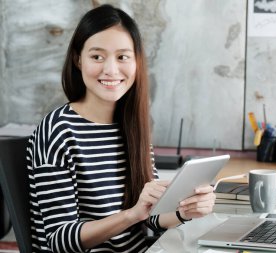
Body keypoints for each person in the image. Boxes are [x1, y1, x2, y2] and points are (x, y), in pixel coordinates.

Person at [26, 4, 216, 252]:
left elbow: (150, 216)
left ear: (136, 62)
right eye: (97, 57)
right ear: (78, 60)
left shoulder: (132, 126)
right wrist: (131, 215)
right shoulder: (57, 131)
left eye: (122, 57)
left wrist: (185, 211)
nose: (111, 70)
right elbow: (60, 240)